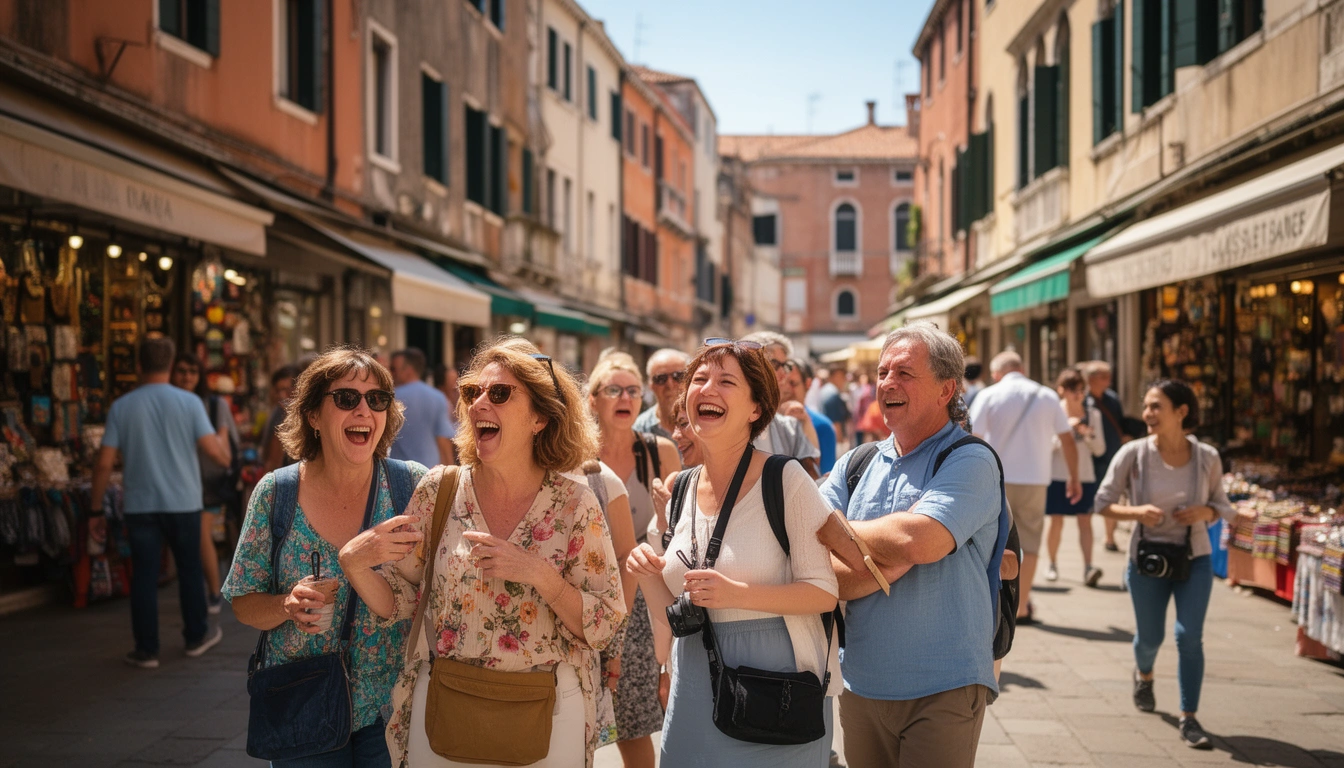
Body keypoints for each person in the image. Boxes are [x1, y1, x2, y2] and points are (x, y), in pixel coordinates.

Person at [366, 339, 627, 768]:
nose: (479, 403)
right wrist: (357, 565)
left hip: (549, 713)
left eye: (500, 393)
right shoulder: (438, 490)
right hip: (446, 705)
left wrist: (540, 575)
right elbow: (401, 600)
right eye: (473, 392)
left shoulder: (576, 505)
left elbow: (603, 624)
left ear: (540, 417)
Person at [626, 338, 840, 767]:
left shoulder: (786, 478)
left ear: (756, 408)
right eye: (700, 379)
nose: (707, 389)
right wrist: (647, 574)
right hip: (693, 685)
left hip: (775, 688)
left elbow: (823, 592)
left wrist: (736, 593)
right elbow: (669, 630)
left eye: (726, 381)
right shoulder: (680, 491)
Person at [814, 322, 1005, 767]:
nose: (887, 384)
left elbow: (920, 541)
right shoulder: (857, 462)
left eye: (904, 373)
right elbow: (809, 540)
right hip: (859, 684)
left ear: (946, 389)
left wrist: (845, 533)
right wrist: (882, 563)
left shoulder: (970, 459)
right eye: (882, 373)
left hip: (945, 687)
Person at [224, 347, 426, 767]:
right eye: (347, 399)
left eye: (377, 400)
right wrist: (286, 604)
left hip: (394, 708)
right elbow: (243, 601)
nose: (364, 410)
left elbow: (441, 592)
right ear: (313, 415)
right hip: (304, 705)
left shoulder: (412, 488)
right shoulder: (276, 494)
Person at [1094, 379, 1244, 751]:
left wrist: (1206, 511)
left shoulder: (1206, 457)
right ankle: (1144, 674)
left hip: (1194, 559)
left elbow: (1227, 508)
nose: (1147, 414)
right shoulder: (1134, 454)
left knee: (1188, 636)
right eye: (1146, 406)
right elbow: (1102, 502)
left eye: (1156, 406)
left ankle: (1189, 717)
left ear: (1181, 412)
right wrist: (1136, 512)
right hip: (1146, 561)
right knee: (1150, 638)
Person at [90, 338, 232, 668]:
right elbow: (214, 451)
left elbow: (103, 463)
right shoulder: (190, 403)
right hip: (183, 501)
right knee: (189, 569)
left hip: (140, 505)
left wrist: (95, 508)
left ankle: (146, 649)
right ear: (170, 367)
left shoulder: (121, 407)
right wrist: (226, 455)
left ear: (138, 366)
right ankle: (196, 636)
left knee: (143, 575)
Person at [587, 352, 680, 768]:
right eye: (613, 390)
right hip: (583, 593)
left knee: (633, 724)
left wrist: (665, 517)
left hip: (642, 601)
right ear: (592, 400)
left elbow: (683, 533)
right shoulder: (574, 455)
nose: (625, 398)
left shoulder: (660, 452)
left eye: (632, 390)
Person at [969, 351, 1081, 625]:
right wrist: (1074, 477)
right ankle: (1020, 606)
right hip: (1035, 479)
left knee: (991, 540)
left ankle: (989, 599)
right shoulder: (1046, 396)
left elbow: (973, 437)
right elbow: (1067, 439)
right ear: (1022, 367)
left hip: (996, 479)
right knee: (1029, 542)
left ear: (997, 373)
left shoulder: (989, 395)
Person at [169, 353, 240, 615]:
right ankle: (199, 593)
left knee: (201, 536)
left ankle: (213, 592)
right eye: (182, 371)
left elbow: (225, 452)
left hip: (208, 483)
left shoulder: (214, 405)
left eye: (192, 371)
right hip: (176, 481)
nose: (187, 376)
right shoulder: (170, 404)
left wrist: (213, 439)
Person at [1044, 368, 1107, 587]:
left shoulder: (1093, 413)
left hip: (1085, 474)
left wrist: (1087, 434)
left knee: (1085, 520)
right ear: (1061, 390)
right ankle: (1051, 563)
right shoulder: (1054, 412)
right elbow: (1047, 446)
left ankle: (1088, 566)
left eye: (1081, 389)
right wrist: (1065, 433)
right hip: (1057, 474)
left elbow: (1100, 450)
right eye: (1073, 389)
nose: (1078, 394)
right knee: (1056, 520)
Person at [741, 331, 822, 478]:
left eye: (785, 366)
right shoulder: (723, 420)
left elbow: (812, 475)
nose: (784, 375)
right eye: (775, 364)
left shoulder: (789, 427)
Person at [1084, 361, 1129, 552]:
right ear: (1091, 379)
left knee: (1111, 496)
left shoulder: (1112, 399)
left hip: (1112, 453)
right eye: (1103, 377)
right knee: (1090, 501)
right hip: (1089, 458)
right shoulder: (1083, 400)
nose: (1108, 380)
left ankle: (1109, 536)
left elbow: (1120, 421)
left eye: (1109, 376)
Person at [387, 348, 455, 468]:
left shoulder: (390, 397)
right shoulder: (438, 397)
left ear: (409, 370)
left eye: (393, 369)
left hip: (396, 475)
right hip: (430, 474)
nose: (390, 373)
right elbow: (443, 442)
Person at [785, 358, 837, 475]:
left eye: (792, 383)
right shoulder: (767, 423)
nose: (786, 388)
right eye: (782, 381)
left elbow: (824, 478)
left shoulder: (823, 426)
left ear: (808, 384)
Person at [633, 348, 690, 442]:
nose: (670, 385)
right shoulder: (638, 430)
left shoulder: (707, 423)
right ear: (650, 385)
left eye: (678, 376)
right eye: (660, 378)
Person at [262, 364, 302, 473]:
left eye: (286, 390)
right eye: (278, 391)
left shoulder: (312, 416)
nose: (282, 396)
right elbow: (272, 460)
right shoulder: (278, 414)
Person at [818, 368, 852, 445]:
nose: (844, 380)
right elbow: (836, 423)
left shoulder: (824, 390)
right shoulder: (833, 394)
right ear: (834, 377)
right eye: (842, 377)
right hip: (832, 441)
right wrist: (840, 444)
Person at [850, 373, 875, 445]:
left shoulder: (868, 388)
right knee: (859, 434)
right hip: (858, 415)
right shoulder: (856, 388)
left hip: (866, 414)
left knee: (867, 435)